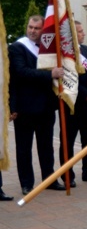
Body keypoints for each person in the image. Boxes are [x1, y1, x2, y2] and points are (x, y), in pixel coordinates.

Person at [8, 15, 66, 195]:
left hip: (46, 105)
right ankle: (26, 183)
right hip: (25, 107)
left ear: (43, 30)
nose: (32, 31)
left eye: (37, 28)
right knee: (24, 148)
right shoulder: (17, 47)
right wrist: (50, 75)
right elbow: (21, 72)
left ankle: (49, 179)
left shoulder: (48, 48)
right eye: (30, 27)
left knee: (46, 145)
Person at [59, 21, 87, 184]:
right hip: (72, 104)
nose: (83, 34)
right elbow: (69, 79)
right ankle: (67, 175)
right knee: (68, 141)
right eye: (79, 32)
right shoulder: (65, 54)